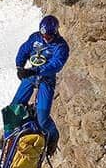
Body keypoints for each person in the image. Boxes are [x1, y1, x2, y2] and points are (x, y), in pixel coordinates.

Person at [11, 15, 69, 156]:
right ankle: (9, 137)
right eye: (43, 35)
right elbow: (24, 50)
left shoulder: (61, 47)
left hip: (46, 80)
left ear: (55, 33)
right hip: (31, 76)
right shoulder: (35, 38)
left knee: (43, 118)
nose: (45, 38)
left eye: (48, 37)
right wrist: (20, 66)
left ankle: (53, 136)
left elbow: (56, 65)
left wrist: (35, 70)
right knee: (14, 108)